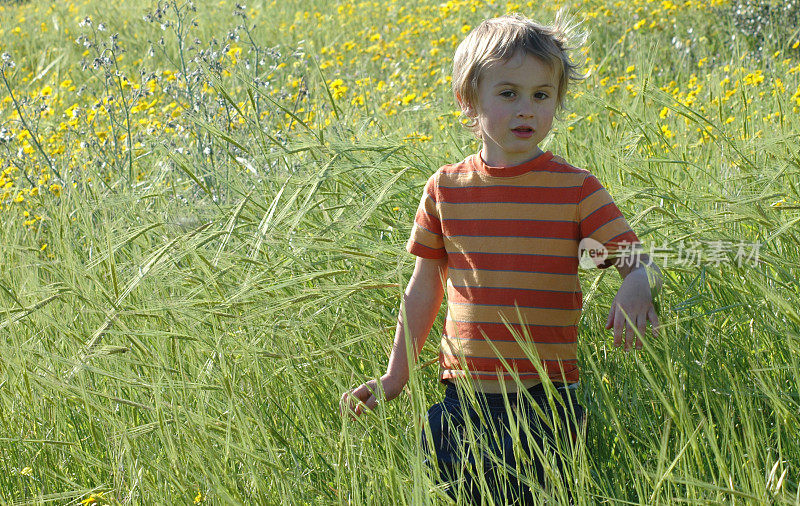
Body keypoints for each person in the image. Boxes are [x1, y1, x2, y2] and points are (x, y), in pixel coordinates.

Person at [341, 12, 661, 504]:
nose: (526, 109)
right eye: (508, 93)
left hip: (546, 401)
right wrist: (396, 375)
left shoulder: (576, 188)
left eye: (541, 94)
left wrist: (637, 284)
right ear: (468, 102)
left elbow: (639, 260)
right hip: (462, 402)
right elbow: (423, 289)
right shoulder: (445, 189)